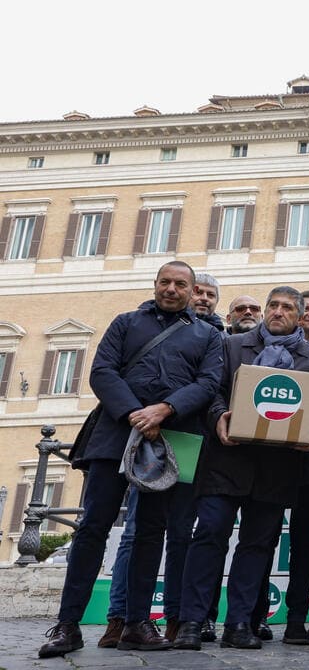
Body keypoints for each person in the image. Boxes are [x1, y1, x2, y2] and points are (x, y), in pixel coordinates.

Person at [39, 262, 223, 658]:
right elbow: (102, 371)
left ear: (193, 291)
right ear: (155, 285)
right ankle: (67, 625)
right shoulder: (125, 322)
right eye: (165, 282)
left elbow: (208, 383)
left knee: (150, 532)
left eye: (180, 284)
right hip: (114, 436)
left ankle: (137, 623)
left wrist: (165, 410)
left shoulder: (208, 335)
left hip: (167, 439)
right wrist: (136, 415)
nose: (171, 289)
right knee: (92, 529)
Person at [173, 286, 309, 649]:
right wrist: (218, 419)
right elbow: (214, 390)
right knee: (209, 533)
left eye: (287, 307)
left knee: (256, 545)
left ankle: (239, 623)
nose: (277, 312)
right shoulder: (232, 345)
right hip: (228, 458)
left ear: (299, 314)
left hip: (278, 466)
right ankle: (192, 621)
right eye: (273, 305)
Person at [277, 289, 309, 644]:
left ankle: (298, 616)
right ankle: (248, 617)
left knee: (305, 542)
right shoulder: (253, 349)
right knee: (261, 540)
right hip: (262, 460)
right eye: (305, 308)